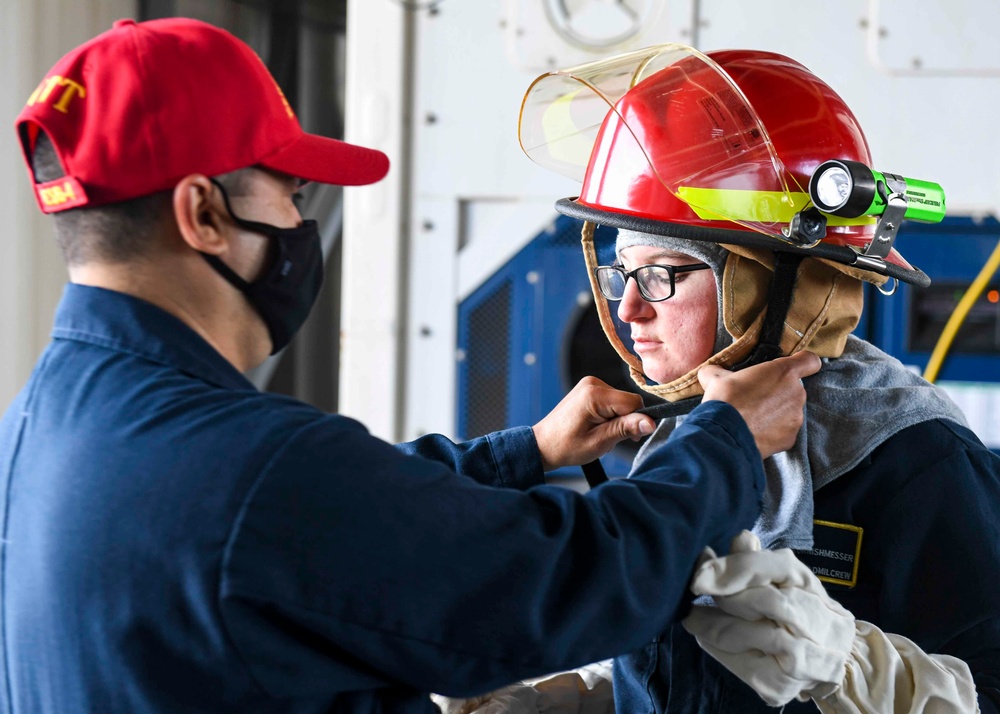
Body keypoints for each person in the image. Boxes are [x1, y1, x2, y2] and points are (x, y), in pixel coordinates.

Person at [0, 19, 821, 713]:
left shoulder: (38, 434)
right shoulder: (249, 470)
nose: (301, 222)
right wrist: (726, 440)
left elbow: (334, 517)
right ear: (204, 213)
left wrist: (523, 455)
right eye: (288, 193)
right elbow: (573, 582)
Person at [441, 44, 1000, 712]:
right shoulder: (683, 438)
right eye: (623, 273)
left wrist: (849, 666)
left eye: (661, 273)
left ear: (774, 275)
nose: (627, 309)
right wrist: (578, 703)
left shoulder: (911, 455)